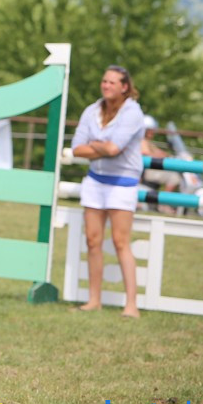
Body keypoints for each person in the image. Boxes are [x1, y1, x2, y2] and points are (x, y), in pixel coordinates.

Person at [70, 65, 145, 318]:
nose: (106, 86)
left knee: (120, 242)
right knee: (93, 240)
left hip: (122, 182)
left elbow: (116, 149)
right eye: (104, 81)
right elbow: (76, 149)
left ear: (125, 87)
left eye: (112, 82)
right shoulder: (92, 110)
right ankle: (94, 300)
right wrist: (100, 147)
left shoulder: (133, 113)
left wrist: (95, 145)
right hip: (95, 181)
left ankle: (131, 305)